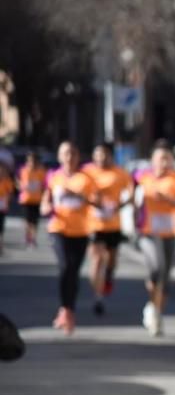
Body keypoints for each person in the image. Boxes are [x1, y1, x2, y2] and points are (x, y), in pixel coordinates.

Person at [40, 141, 99, 336]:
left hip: (81, 231)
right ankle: (65, 309)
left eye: (72, 153)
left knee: (73, 271)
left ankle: (69, 310)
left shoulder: (86, 179)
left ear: (78, 156)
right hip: (58, 228)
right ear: (59, 157)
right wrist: (46, 208)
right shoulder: (53, 177)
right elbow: (45, 203)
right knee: (65, 266)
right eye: (65, 153)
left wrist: (77, 195)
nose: (69, 157)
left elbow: (96, 202)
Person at [136, 141, 175, 337]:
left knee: (165, 278)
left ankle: (156, 312)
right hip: (149, 232)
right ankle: (152, 305)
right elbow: (135, 201)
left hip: (170, 232)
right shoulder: (144, 178)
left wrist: (166, 199)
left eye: (168, 159)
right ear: (152, 161)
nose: (164, 163)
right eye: (160, 159)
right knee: (156, 269)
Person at [82, 142, 133, 316]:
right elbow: (80, 191)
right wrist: (92, 202)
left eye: (104, 155)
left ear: (111, 156)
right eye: (97, 155)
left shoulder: (120, 173)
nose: (101, 158)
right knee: (96, 260)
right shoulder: (87, 172)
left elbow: (131, 194)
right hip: (94, 224)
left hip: (113, 224)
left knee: (111, 260)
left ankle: (108, 276)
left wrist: (119, 206)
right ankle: (98, 296)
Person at [17, 151, 46, 248]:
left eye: (33, 160)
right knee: (26, 220)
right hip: (26, 199)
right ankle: (27, 236)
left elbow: (44, 185)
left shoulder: (41, 171)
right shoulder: (23, 170)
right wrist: (21, 186)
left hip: (37, 200)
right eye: (29, 160)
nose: (32, 162)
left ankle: (33, 238)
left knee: (35, 221)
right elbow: (18, 182)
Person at [0, 163, 13, 255]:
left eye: (2, 171)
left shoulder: (7, 181)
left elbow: (10, 193)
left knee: (1, 227)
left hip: (2, 208)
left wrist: (7, 202)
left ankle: (1, 246)